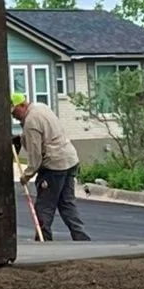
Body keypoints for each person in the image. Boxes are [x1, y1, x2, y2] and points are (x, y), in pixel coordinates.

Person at [15, 91, 90, 242]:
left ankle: (44, 242)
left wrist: (26, 176)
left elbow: (35, 156)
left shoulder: (31, 122)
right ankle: (82, 239)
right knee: (67, 203)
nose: (13, 116)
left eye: (14, 112)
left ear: (22, 105)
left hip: (54, 166)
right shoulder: (41, 107)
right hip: (69, 159)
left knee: (44, 206)